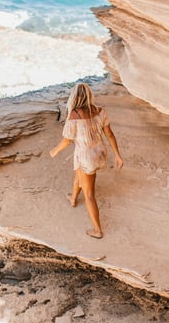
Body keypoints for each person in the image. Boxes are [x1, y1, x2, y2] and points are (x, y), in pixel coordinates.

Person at [49, 82, 124, 239]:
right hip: (99, 152)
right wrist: (117, 154)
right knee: (79, 173)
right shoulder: (100, 111)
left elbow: (67, 140)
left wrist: (55, 150)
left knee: (89, 194)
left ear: (74, 97)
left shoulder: (74, 115)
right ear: (89, 95)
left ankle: (97, 230)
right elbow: (109, 134)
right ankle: (73, 198)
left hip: (87, 156)